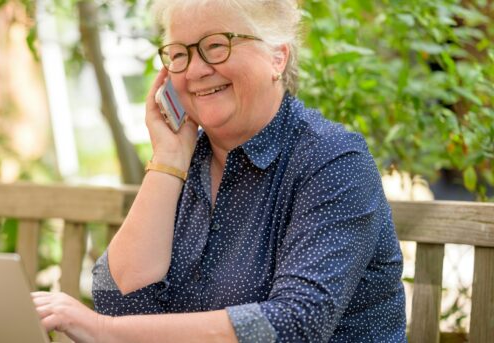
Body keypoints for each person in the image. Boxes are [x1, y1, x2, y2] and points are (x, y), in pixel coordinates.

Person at [32, 0, 407, 342]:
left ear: (277, 57)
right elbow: (120, 301)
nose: (195, 70)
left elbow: (296, 323)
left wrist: (102, 330)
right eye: (179, 54)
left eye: (216, 45)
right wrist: (169, 159)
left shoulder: (333, 160)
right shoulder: (186, 163)